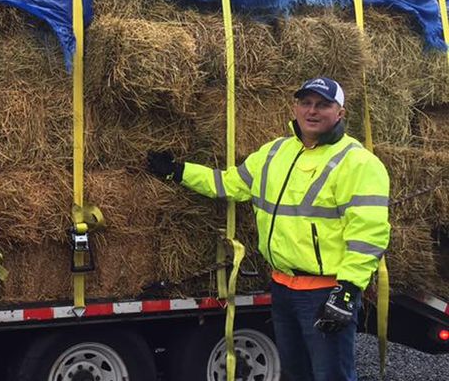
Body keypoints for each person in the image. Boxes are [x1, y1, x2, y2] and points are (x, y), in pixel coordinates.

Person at [146, 77, 390, 381]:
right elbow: (229, 184)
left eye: (323, 105)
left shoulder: (358, 162)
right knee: (295, 373)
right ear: (295, 107)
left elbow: (369, 235)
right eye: (306, 103)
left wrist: (348, 292)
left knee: (332, 375)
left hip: (324, 291)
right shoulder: (275, 152)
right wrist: (179, 172)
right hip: (282, 287)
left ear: (340, 113)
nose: (312, 111)